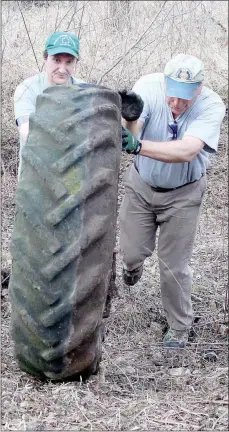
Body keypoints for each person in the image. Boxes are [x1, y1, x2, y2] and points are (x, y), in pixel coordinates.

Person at [120, 53, 226, 348]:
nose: (177, 104)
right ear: (164, 85)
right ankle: (132, 267)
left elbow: (187, 151)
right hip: (142, 186)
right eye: (173, 96)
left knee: (173, 266)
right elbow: (132, 132)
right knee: (130, 252)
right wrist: (129, 121)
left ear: (199, 90)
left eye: (185, 98)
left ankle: (179, 327)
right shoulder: (148, 87)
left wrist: (138, 145)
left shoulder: (211, 105)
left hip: (184, 194)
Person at [14, 31, 84, 178]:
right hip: (35, 178)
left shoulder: (84, 91)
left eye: (69, 62)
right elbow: (27, 131)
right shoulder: (28, 89)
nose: (62, 69)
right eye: (56, 60)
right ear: (46, 58)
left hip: (72, 177)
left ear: (76, 63)